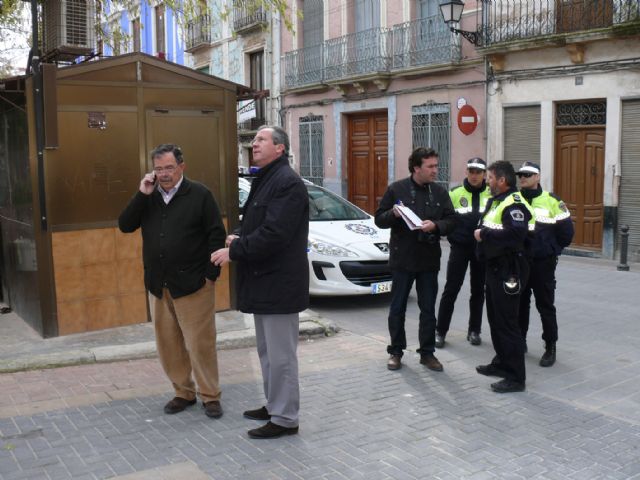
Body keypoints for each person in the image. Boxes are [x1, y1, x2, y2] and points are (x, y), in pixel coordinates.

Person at [211, 126, 309, 439]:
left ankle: (285, 419)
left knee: (281, 357)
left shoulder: (287, 182)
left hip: (279, 284)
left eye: (261, 140)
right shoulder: (266, 177)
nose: (254, 144)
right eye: (253, 140)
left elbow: (276, 234)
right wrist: (240, 234)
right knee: (268, 353)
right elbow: (257, 222)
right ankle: (274, 405)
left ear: (280, 148)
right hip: (265, 282)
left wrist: (235, 250)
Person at [118, 144, 226, 418]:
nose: (164, 174)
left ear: (181, 167)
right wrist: (142, 194)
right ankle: (183, 392)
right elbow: (125, 224)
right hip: (159, 283)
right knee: (169, 343)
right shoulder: (149, 196)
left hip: (194, 284)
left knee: (200, 343)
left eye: (168, 167)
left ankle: (210, 395)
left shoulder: (200, 194)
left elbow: (216, 234)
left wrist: (210, 276)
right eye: (158, 169)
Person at [375, 147, 456, 372]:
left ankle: (427, 354)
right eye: (430, 166)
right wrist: (393, 214)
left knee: (428, 309)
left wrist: (436, 226)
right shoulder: (397, 189)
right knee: (397, 308)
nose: (435, 171)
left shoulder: (439, 192)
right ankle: (396, 352)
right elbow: (379, 219)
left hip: (428, 260)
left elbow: (452, 220)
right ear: (416, 168)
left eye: (436, 166)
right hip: (403, 260)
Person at [474, 161, 535, 393]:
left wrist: (484, 234)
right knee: (496, 319)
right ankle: (501, 363)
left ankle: (516, 377)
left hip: (509, 268)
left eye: (489, 177)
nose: (486, 181)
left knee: (508, 323)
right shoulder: (496, 200)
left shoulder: (514, 202)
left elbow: (516, 234)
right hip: (494, 267)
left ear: (501, 180)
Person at [517, 161, 574, 367]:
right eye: (521, 175)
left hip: (543, 263)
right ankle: (519, 341)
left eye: (528, 174)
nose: (523, 177)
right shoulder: (513, 200)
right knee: (520, 303)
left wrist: (552, 250)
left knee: (545, 305)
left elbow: (566, 232)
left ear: (538, 177)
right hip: (520, 261)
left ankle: (550, 346)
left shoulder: (552, 200)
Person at [435, 157, 491, 349]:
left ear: (484, 174)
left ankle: (474, 331)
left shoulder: (492, 194)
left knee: (478, 291)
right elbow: (444, 219)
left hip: (482, 250)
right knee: (451, 289)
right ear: (466, 172)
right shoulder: (454, 193)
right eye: (471, 171)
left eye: (479, 172)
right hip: (460, 248)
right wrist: (454, 236)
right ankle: (440, 332)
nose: (474, 175)